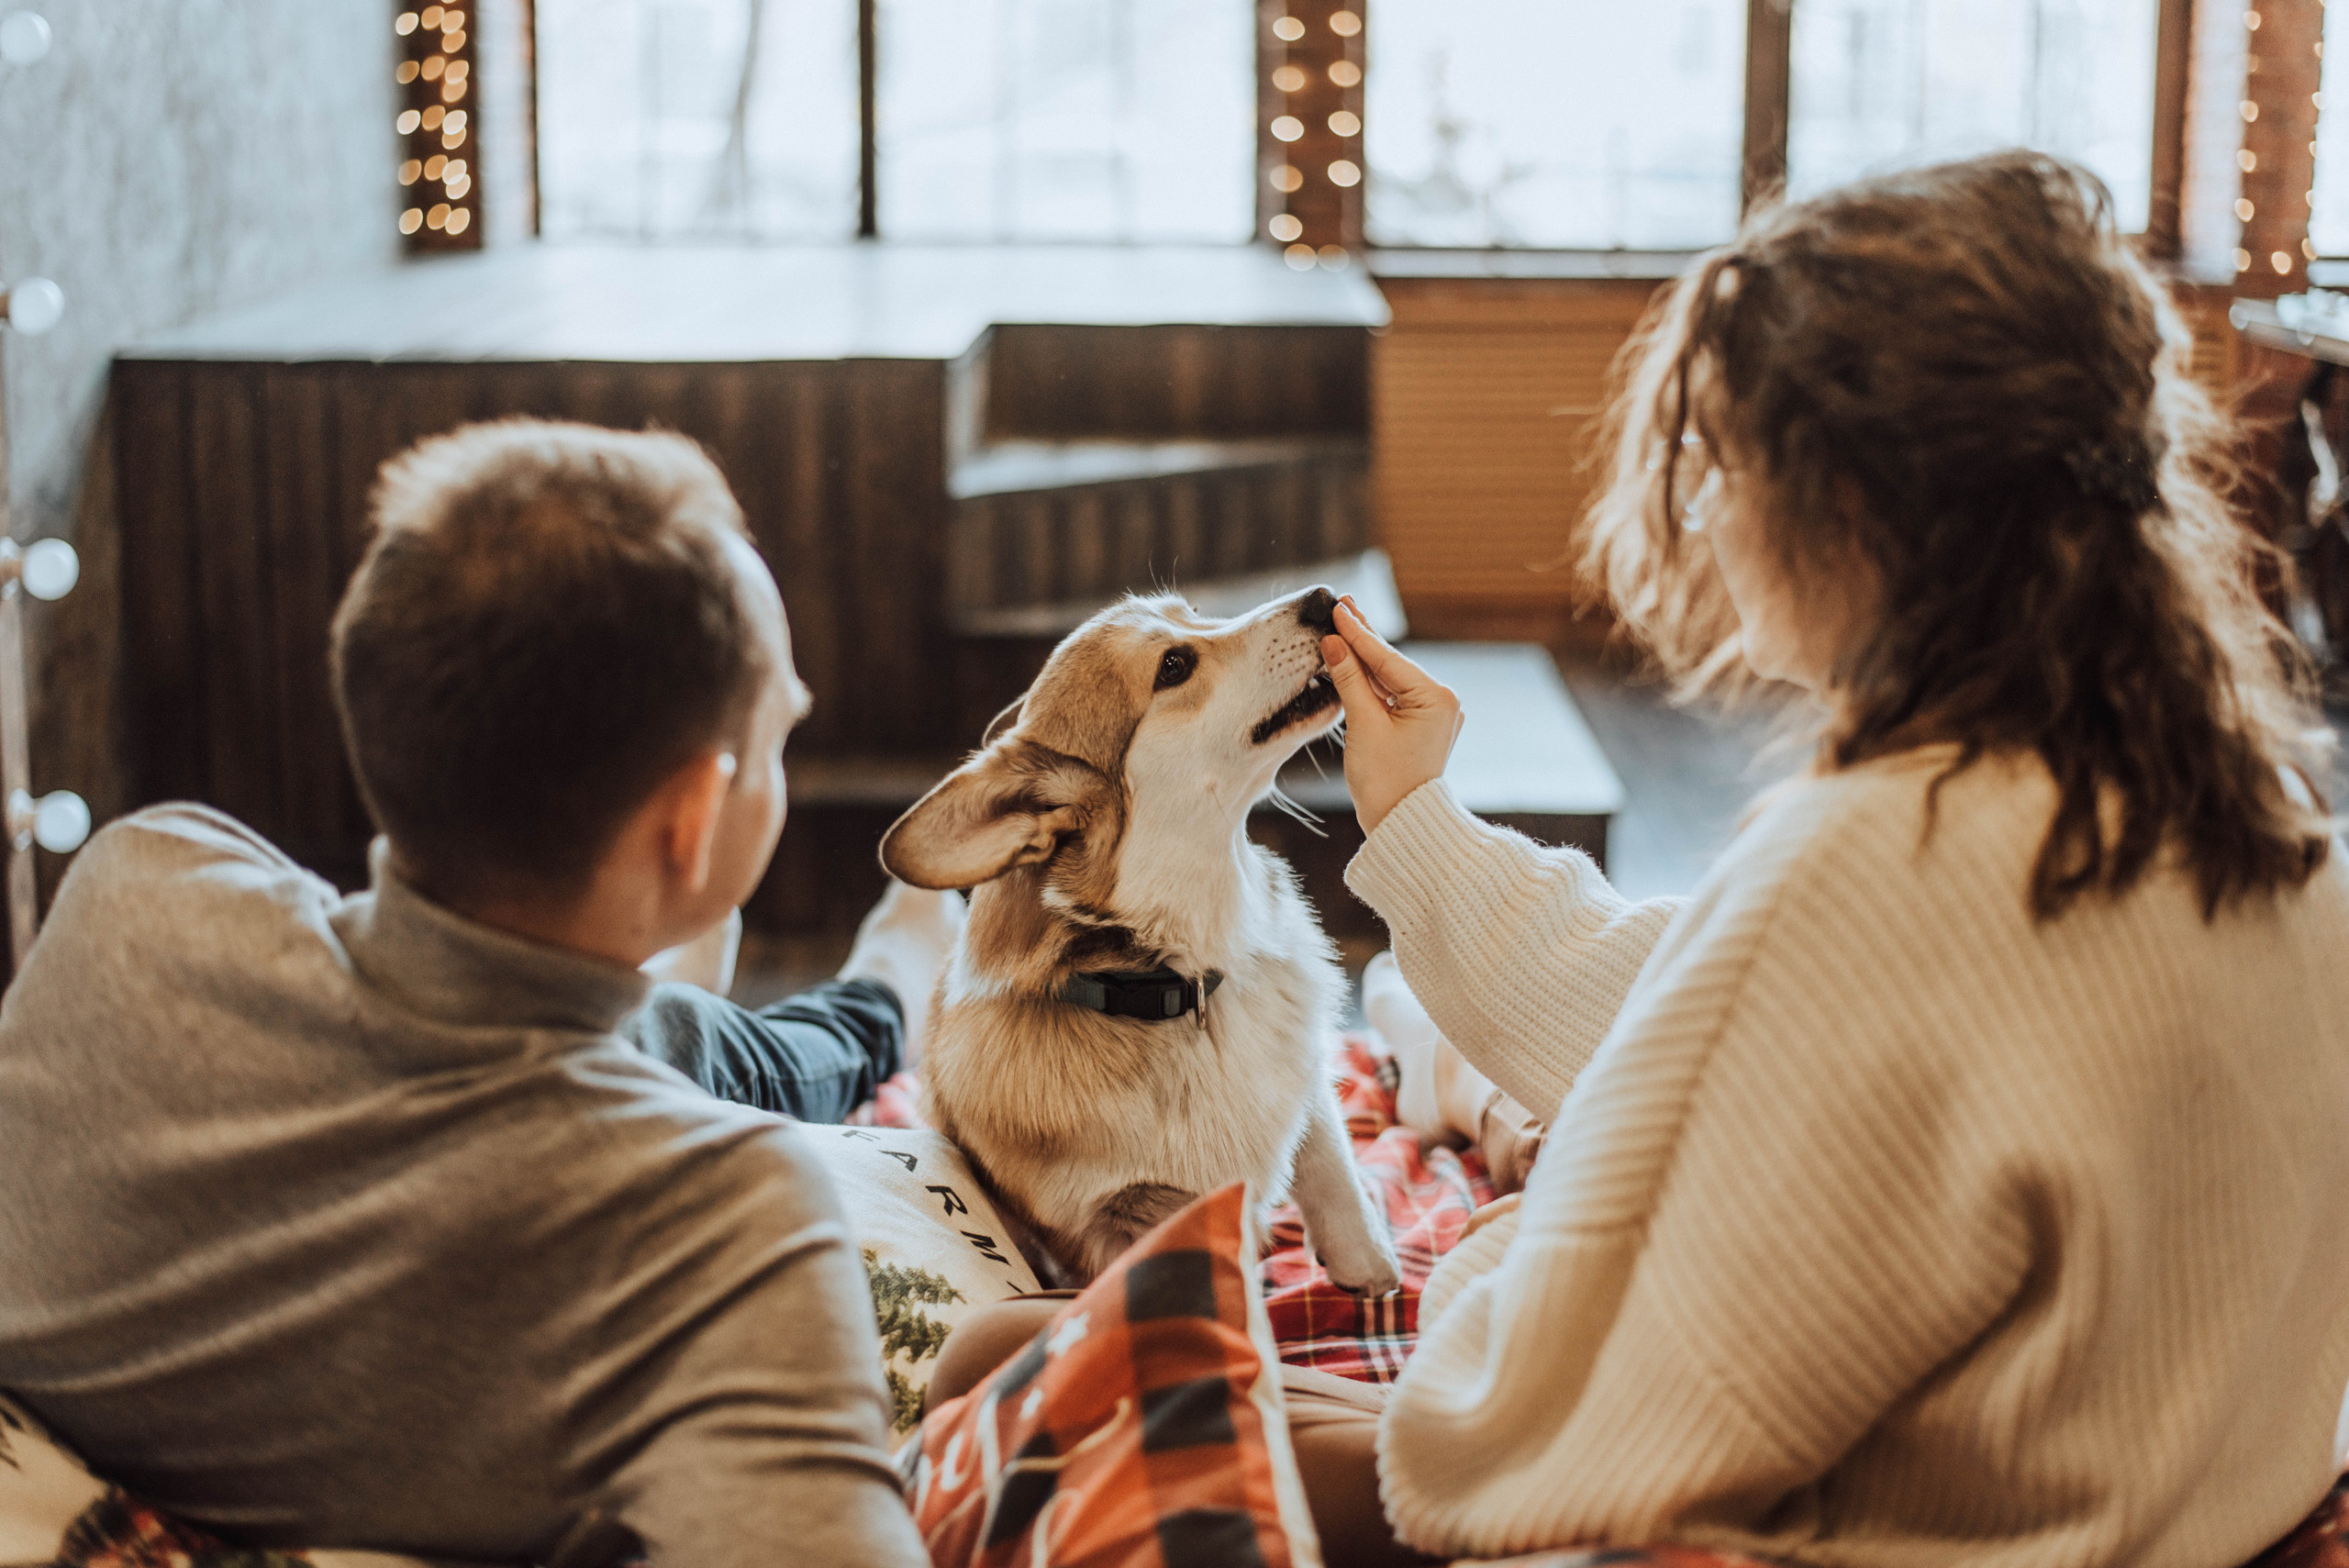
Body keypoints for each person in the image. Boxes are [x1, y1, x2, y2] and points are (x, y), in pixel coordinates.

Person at [1312, 150, 2349, 1567]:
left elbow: (1505, 1439)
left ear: (1850, 507)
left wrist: (1532, 1228)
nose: (1703, 516)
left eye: (1722, 466)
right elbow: (1722, 1006)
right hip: (2197, 1505)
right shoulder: (2258, 815)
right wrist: (1417, 823)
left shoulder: (1879, 857)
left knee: (1060, 1360)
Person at [0, 419, 957, 1567]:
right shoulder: (725, 1221)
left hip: (469, 1011)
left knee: (659, 1025)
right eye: (775, 739)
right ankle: (886, 980)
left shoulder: (139, 888)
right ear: (694, 818)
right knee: (705, 1043)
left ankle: (730, 976)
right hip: (603, 1100)